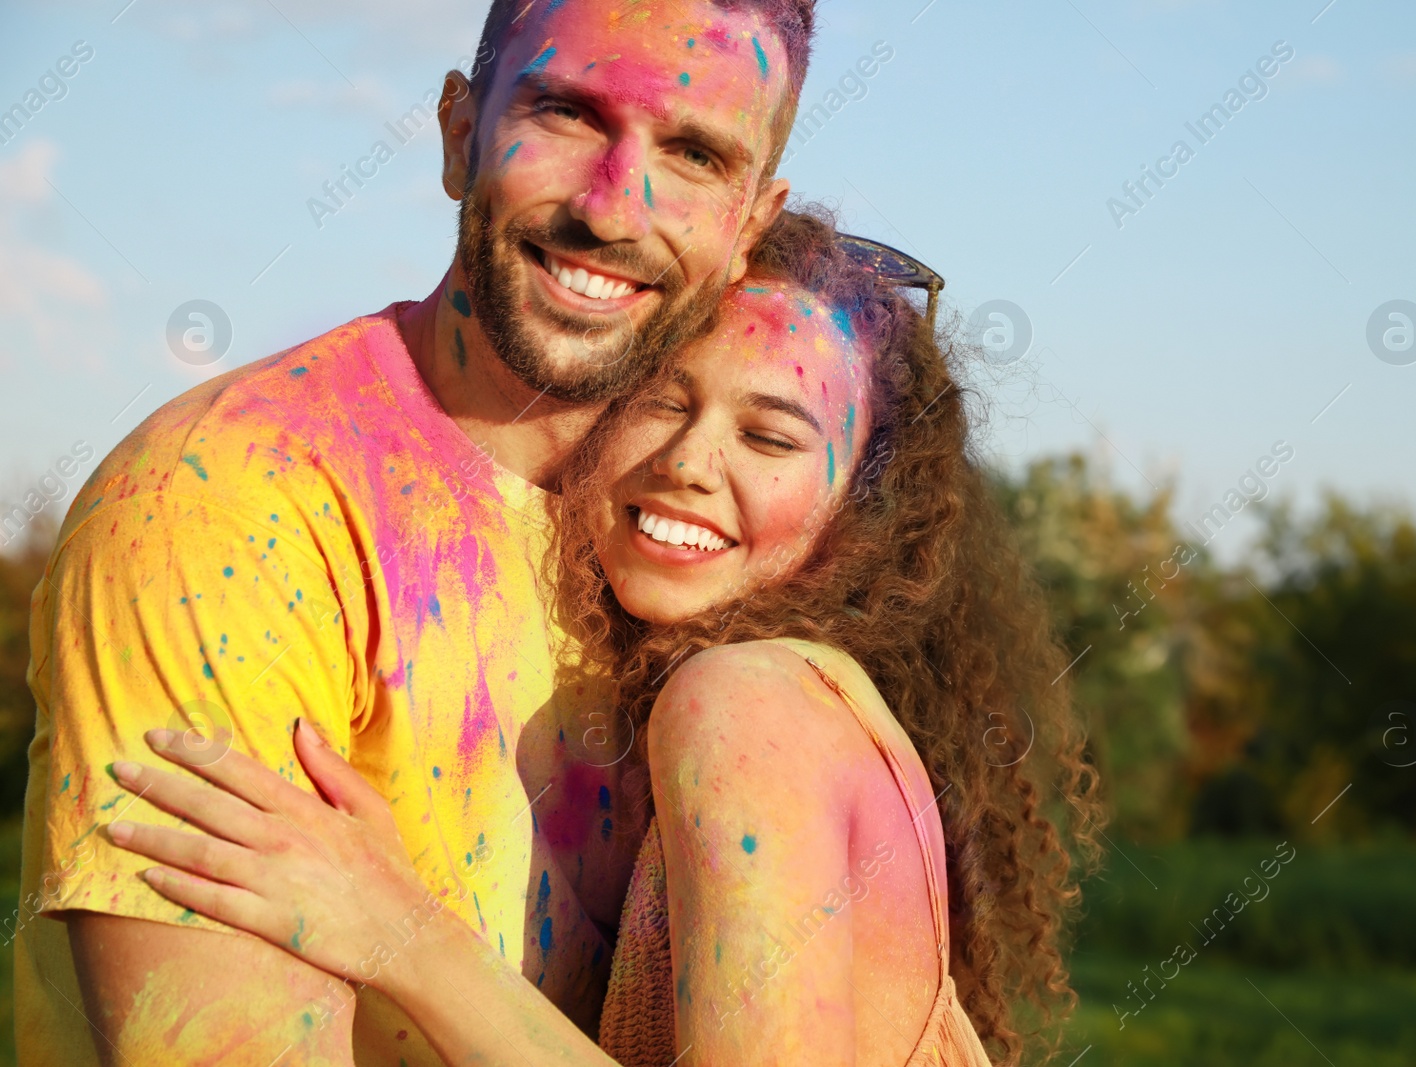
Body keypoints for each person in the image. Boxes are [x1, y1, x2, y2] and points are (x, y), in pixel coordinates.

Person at [103, 210, 1103, 1066]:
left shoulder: (744, 702)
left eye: (769, 437)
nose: (689, 460)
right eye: (662, 399)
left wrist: (400, 931)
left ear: (861, 515)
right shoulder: (812, 700)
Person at [15, 0, 815, 1061]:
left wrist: (412, 941)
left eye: (695, 152)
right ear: (456, 133)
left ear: (750, 225)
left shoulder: (706, 551)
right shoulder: (223, 511)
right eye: (568, 113)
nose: (616, 210)